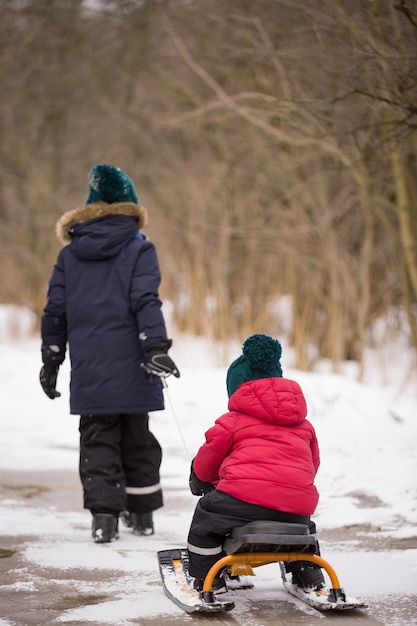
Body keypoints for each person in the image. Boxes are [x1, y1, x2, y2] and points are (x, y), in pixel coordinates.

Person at [40, 164, 180, 543]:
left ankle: (104, 519)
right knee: (138, 437)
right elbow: (145, 300)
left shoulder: (70, 255)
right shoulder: (140, 247)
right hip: (135, 364)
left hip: (91, 368)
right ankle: (143, 514)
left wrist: (52, 358)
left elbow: (56, 310)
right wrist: (154, 346)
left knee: (98, 439)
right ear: (130, 204)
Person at [187, 333, 325, 594]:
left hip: (241, 502)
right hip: (296, 506)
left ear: (239, 389)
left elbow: (207, 460)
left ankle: (208, 577)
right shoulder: (303, 425)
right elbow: (312, 464)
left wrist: (199, 478)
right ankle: (309, 573)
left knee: (206, 519)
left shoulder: (233, 420)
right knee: (305, 529)